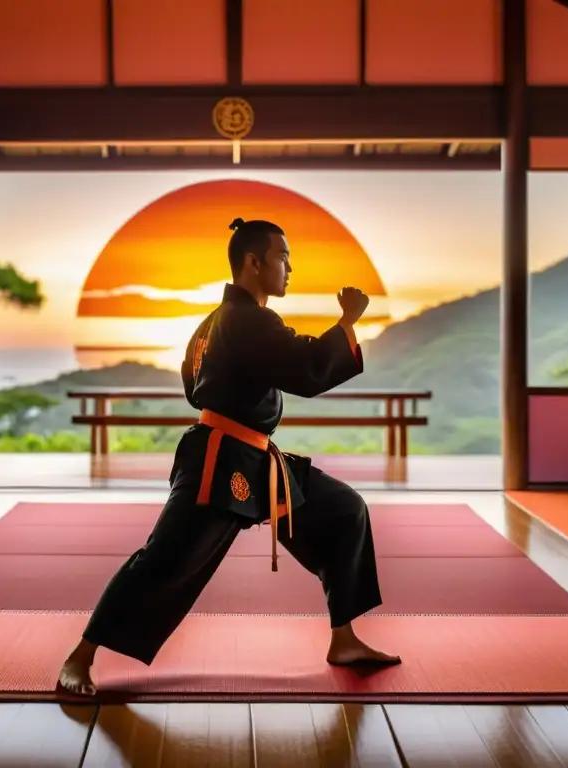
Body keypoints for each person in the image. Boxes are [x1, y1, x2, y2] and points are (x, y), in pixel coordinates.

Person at [58, 218, 401, 696]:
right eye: (282, 258)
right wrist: (346, 323)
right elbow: (304, 368)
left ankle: (343, 638)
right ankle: (79, 657)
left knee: (344, 511)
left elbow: (192, 383)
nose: (289, 269)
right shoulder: (246, 320)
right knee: (165, 559)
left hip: (259, 460)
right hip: (220, 463)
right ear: (253, 262)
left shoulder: (214, 323)